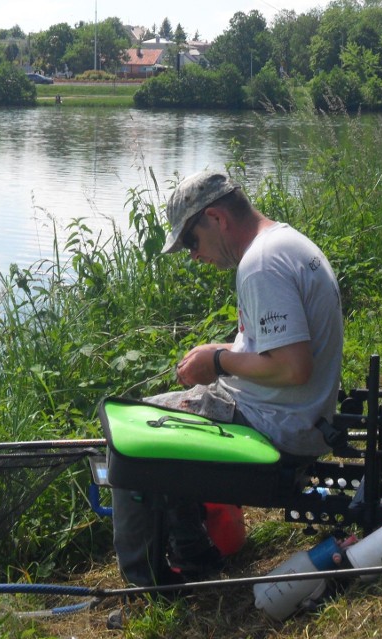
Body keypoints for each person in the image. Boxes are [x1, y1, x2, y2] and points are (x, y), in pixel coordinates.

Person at [111, 170, 344, 588]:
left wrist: (217, 360)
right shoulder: (285, 243)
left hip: (276, 426)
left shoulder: (261, 265)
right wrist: (217, 358)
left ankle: (145, 589)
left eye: (191, 242)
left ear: (216, 218)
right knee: (155, 416)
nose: (192, 255)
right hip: (293, 415)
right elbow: (280, 353)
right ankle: (193, 555)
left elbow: (294, 368)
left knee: (129, 443)